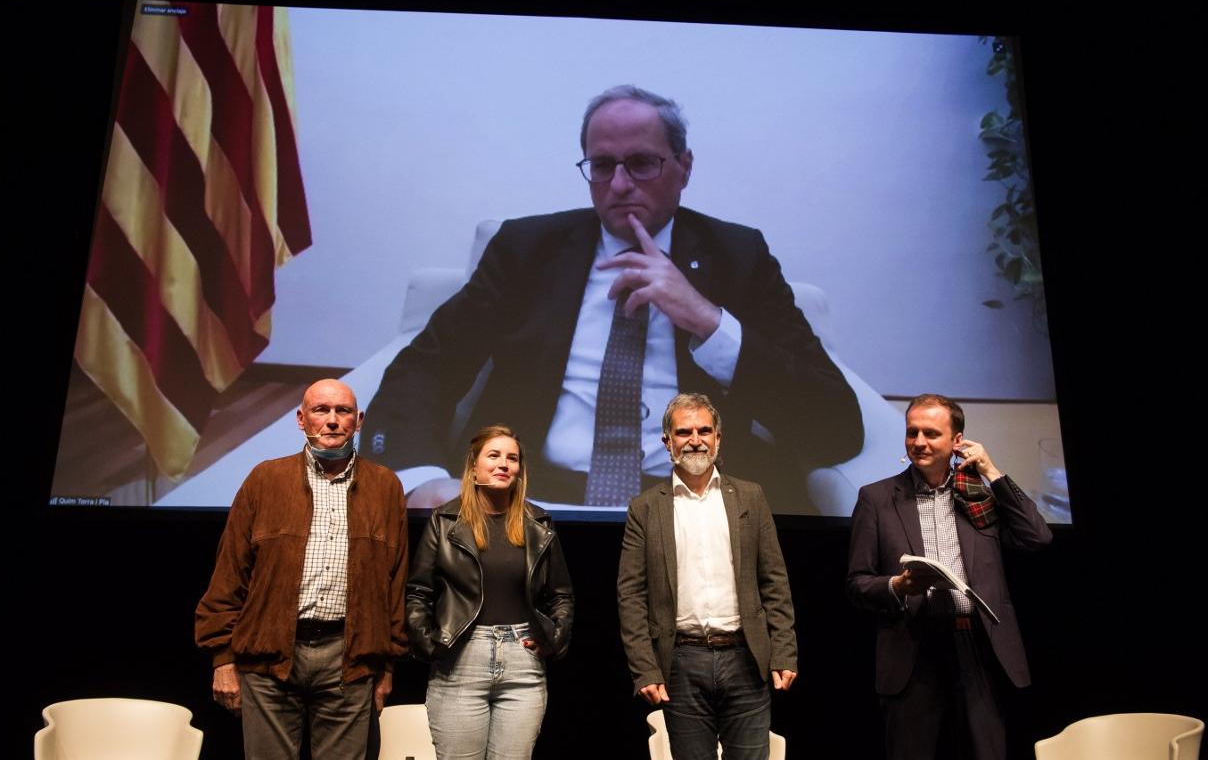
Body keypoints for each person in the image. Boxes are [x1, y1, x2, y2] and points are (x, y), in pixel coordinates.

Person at [359, 84, 862, 513]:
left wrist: (707, 321)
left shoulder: (738, 256)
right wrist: (422, 478)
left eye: (642, 164)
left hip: (697, 503)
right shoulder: (527, 250)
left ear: (684, 167)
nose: (619, 184)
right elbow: (425, 368)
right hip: (529, 497)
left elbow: (836, 425)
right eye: (602, 166)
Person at [195, 379, 409, 760]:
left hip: (350, 659)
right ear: (301, 419)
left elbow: (394, 583)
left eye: (343, 411)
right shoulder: (265, 479)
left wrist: (387, 666)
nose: (332, 420)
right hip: (269, 655)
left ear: (359, 420)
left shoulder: (385, 487)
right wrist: (223, 658)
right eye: (321, 410)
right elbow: (230, 573)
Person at [846, 394, 1052, 760]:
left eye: (931, 433)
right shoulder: (876, 498)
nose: (919, 442)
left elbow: (1037, 537)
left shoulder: (980, 496)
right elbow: (857, 583)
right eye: (912, 432)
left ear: (957, 440)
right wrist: (897, 585)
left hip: (976, 646)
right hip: (913, 648)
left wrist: (992, 472)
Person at [617, 392, 797, 759]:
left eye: (704, 431)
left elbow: (774, 582)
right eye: (684, 432)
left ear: (718, 438)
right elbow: (631, 595)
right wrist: (644, 668)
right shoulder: (645, 507)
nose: (695, 440)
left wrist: (784, 651)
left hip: (746, 658)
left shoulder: (750, 497)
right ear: (667, 441)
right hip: (681, 662)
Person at [406, 424, 574, 759]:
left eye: (512, 458)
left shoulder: (538, 523)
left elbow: (561, 595)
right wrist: (431, 645)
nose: (503, 464)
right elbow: (418, 592)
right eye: (494, 455)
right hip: (460, 660)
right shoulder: (445, 519)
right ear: (473, 467)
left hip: (522, 664)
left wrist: (554, 638)